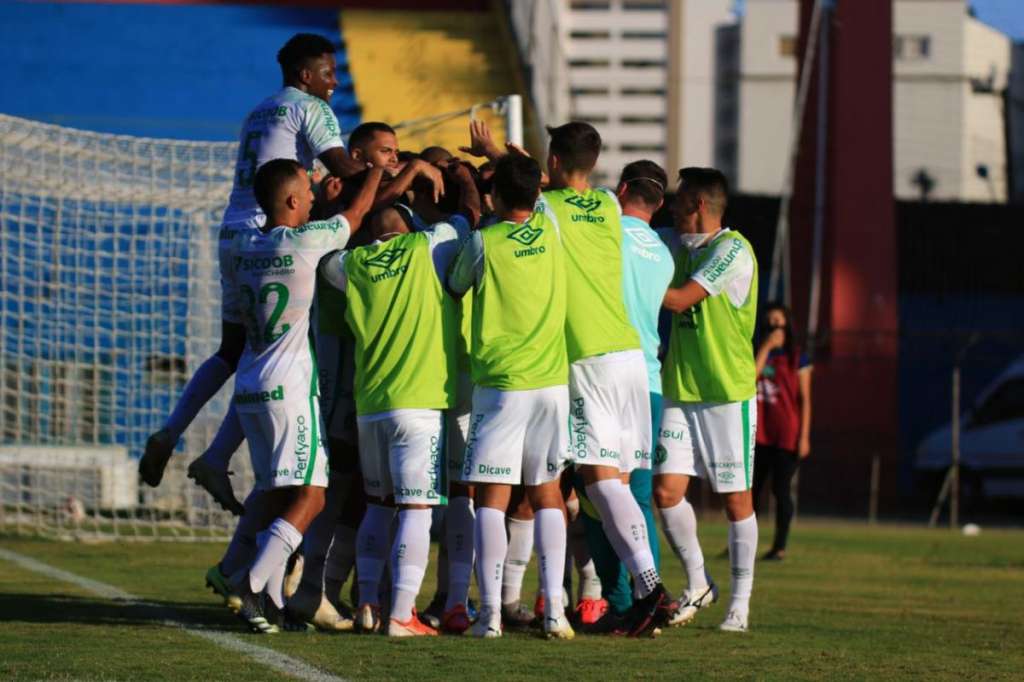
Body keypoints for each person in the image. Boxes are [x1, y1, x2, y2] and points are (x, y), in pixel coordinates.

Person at [140, 32, 362, 510]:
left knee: (234, 349)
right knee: (277, 354)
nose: (334, 82)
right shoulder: (311, 108)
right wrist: (398, 169)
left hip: (233, 232)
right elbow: (346, 166)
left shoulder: (259, 111)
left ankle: (178, 434)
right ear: (306, 75)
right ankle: (221, 459)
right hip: (273, 235)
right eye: (328, 73)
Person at [319, 159, 480, 637]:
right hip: (420, 404)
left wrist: (348, 204)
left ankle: (368, 601)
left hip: (371, 405)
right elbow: (470, 214)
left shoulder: (350, 264)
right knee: (417, 508)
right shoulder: (431, 246)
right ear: (409, 222)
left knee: (378, 505)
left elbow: (329, 250)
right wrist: (464, 177)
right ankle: (401, 615)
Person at [223, 158, 383, 633]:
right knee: (313, 496)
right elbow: (353, 218)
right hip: (289, 390)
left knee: (279, 494)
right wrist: (374, 173)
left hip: (250, 384)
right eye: (307, 194)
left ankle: (270, 601)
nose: (314, 200)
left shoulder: (241, 247)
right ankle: (249, 583)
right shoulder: (307, 243)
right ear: (292, 200)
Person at [448, 152, 573, 639]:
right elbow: (532, 185)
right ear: (537, 193)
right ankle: (555, 613)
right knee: (548, 496)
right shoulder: (552, 229)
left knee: (492, 500)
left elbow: (456, 284)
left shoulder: (484, 241)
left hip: (502, 385)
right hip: (551, 384)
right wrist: (503, 157)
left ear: (493, 197)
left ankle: (492, 617)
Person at [653, 167, 759, 634]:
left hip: (724, 393)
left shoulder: (731, 250)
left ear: (697, 204)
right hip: (680, 387)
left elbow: (677, 300)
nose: (672, 209)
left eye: (678, 201)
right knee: (666, 492)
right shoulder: (678, 243)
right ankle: (698, 582)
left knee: (736, 500)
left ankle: (741, 603)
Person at [573, 160, 674, 630]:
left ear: (623, 188)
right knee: (632, 495)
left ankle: (627, 598)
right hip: (648, 379)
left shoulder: (608, 231)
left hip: (601, 366)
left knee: (598, 491)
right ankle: (641, 599)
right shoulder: (663, 252)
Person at [752, 303, 812, 560]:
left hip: (786, 434)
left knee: (781, 490)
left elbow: (805, 399)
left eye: (779, 323)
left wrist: (804, 436)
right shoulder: (759, 353)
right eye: (769, 323)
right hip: (759, 433)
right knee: (751, 491)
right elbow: (749, 378)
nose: (775, 328)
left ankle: (780, 545)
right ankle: (743, 544)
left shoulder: (798, 356)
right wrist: (765, 348)